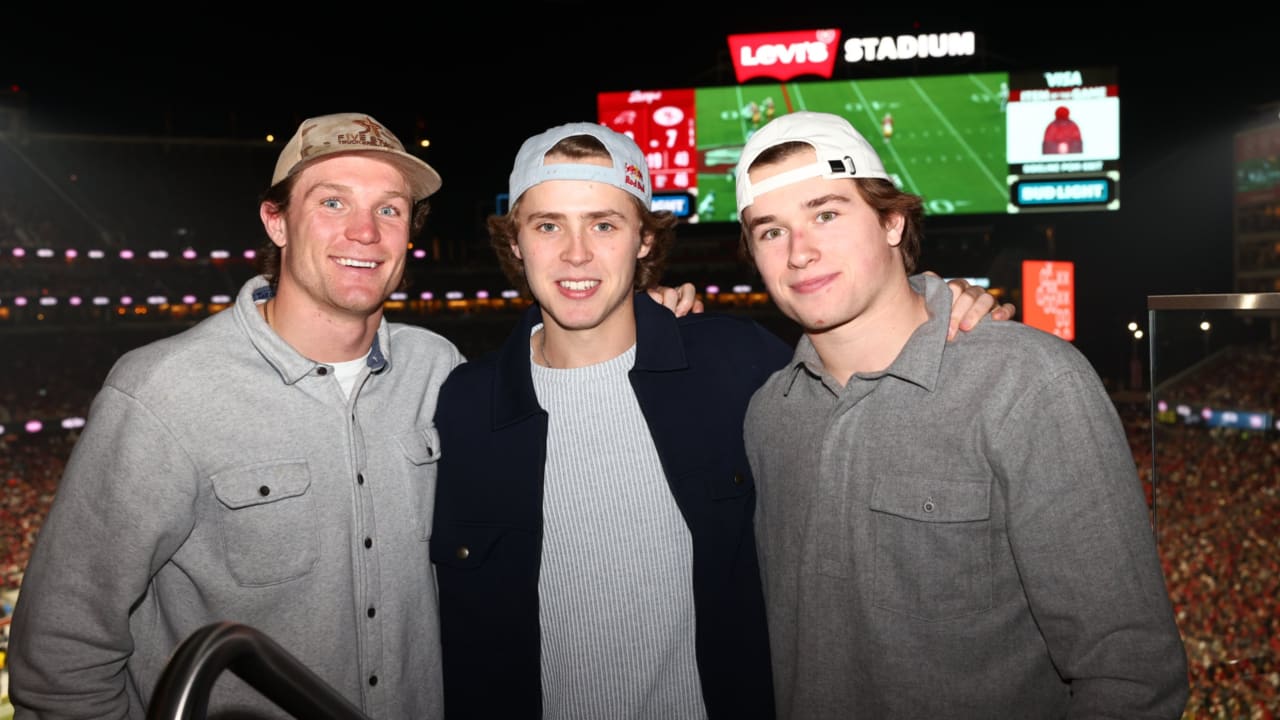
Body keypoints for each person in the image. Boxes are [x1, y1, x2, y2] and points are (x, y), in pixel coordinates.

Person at [428, 121, 1013, 719]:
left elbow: (865, 362)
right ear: (517, 242)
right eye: (549, 225)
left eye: (604, 224)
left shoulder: (736, 364)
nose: (576, 253)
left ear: (644, 242)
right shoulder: (460, 406)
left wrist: (942, 301)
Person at [7, 113, 468, 719]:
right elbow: (62, 648)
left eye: (389, 209)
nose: (365, 232)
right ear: (276, 222)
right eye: (332, 202)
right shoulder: (161, 390)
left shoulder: (440, 369)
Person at [734, 111, 1189, 719]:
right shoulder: (769, 413)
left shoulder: (1028, 382)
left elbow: (1131, 674)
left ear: (892, 221)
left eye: (826, 213)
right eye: (771, 231)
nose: (800, 252)